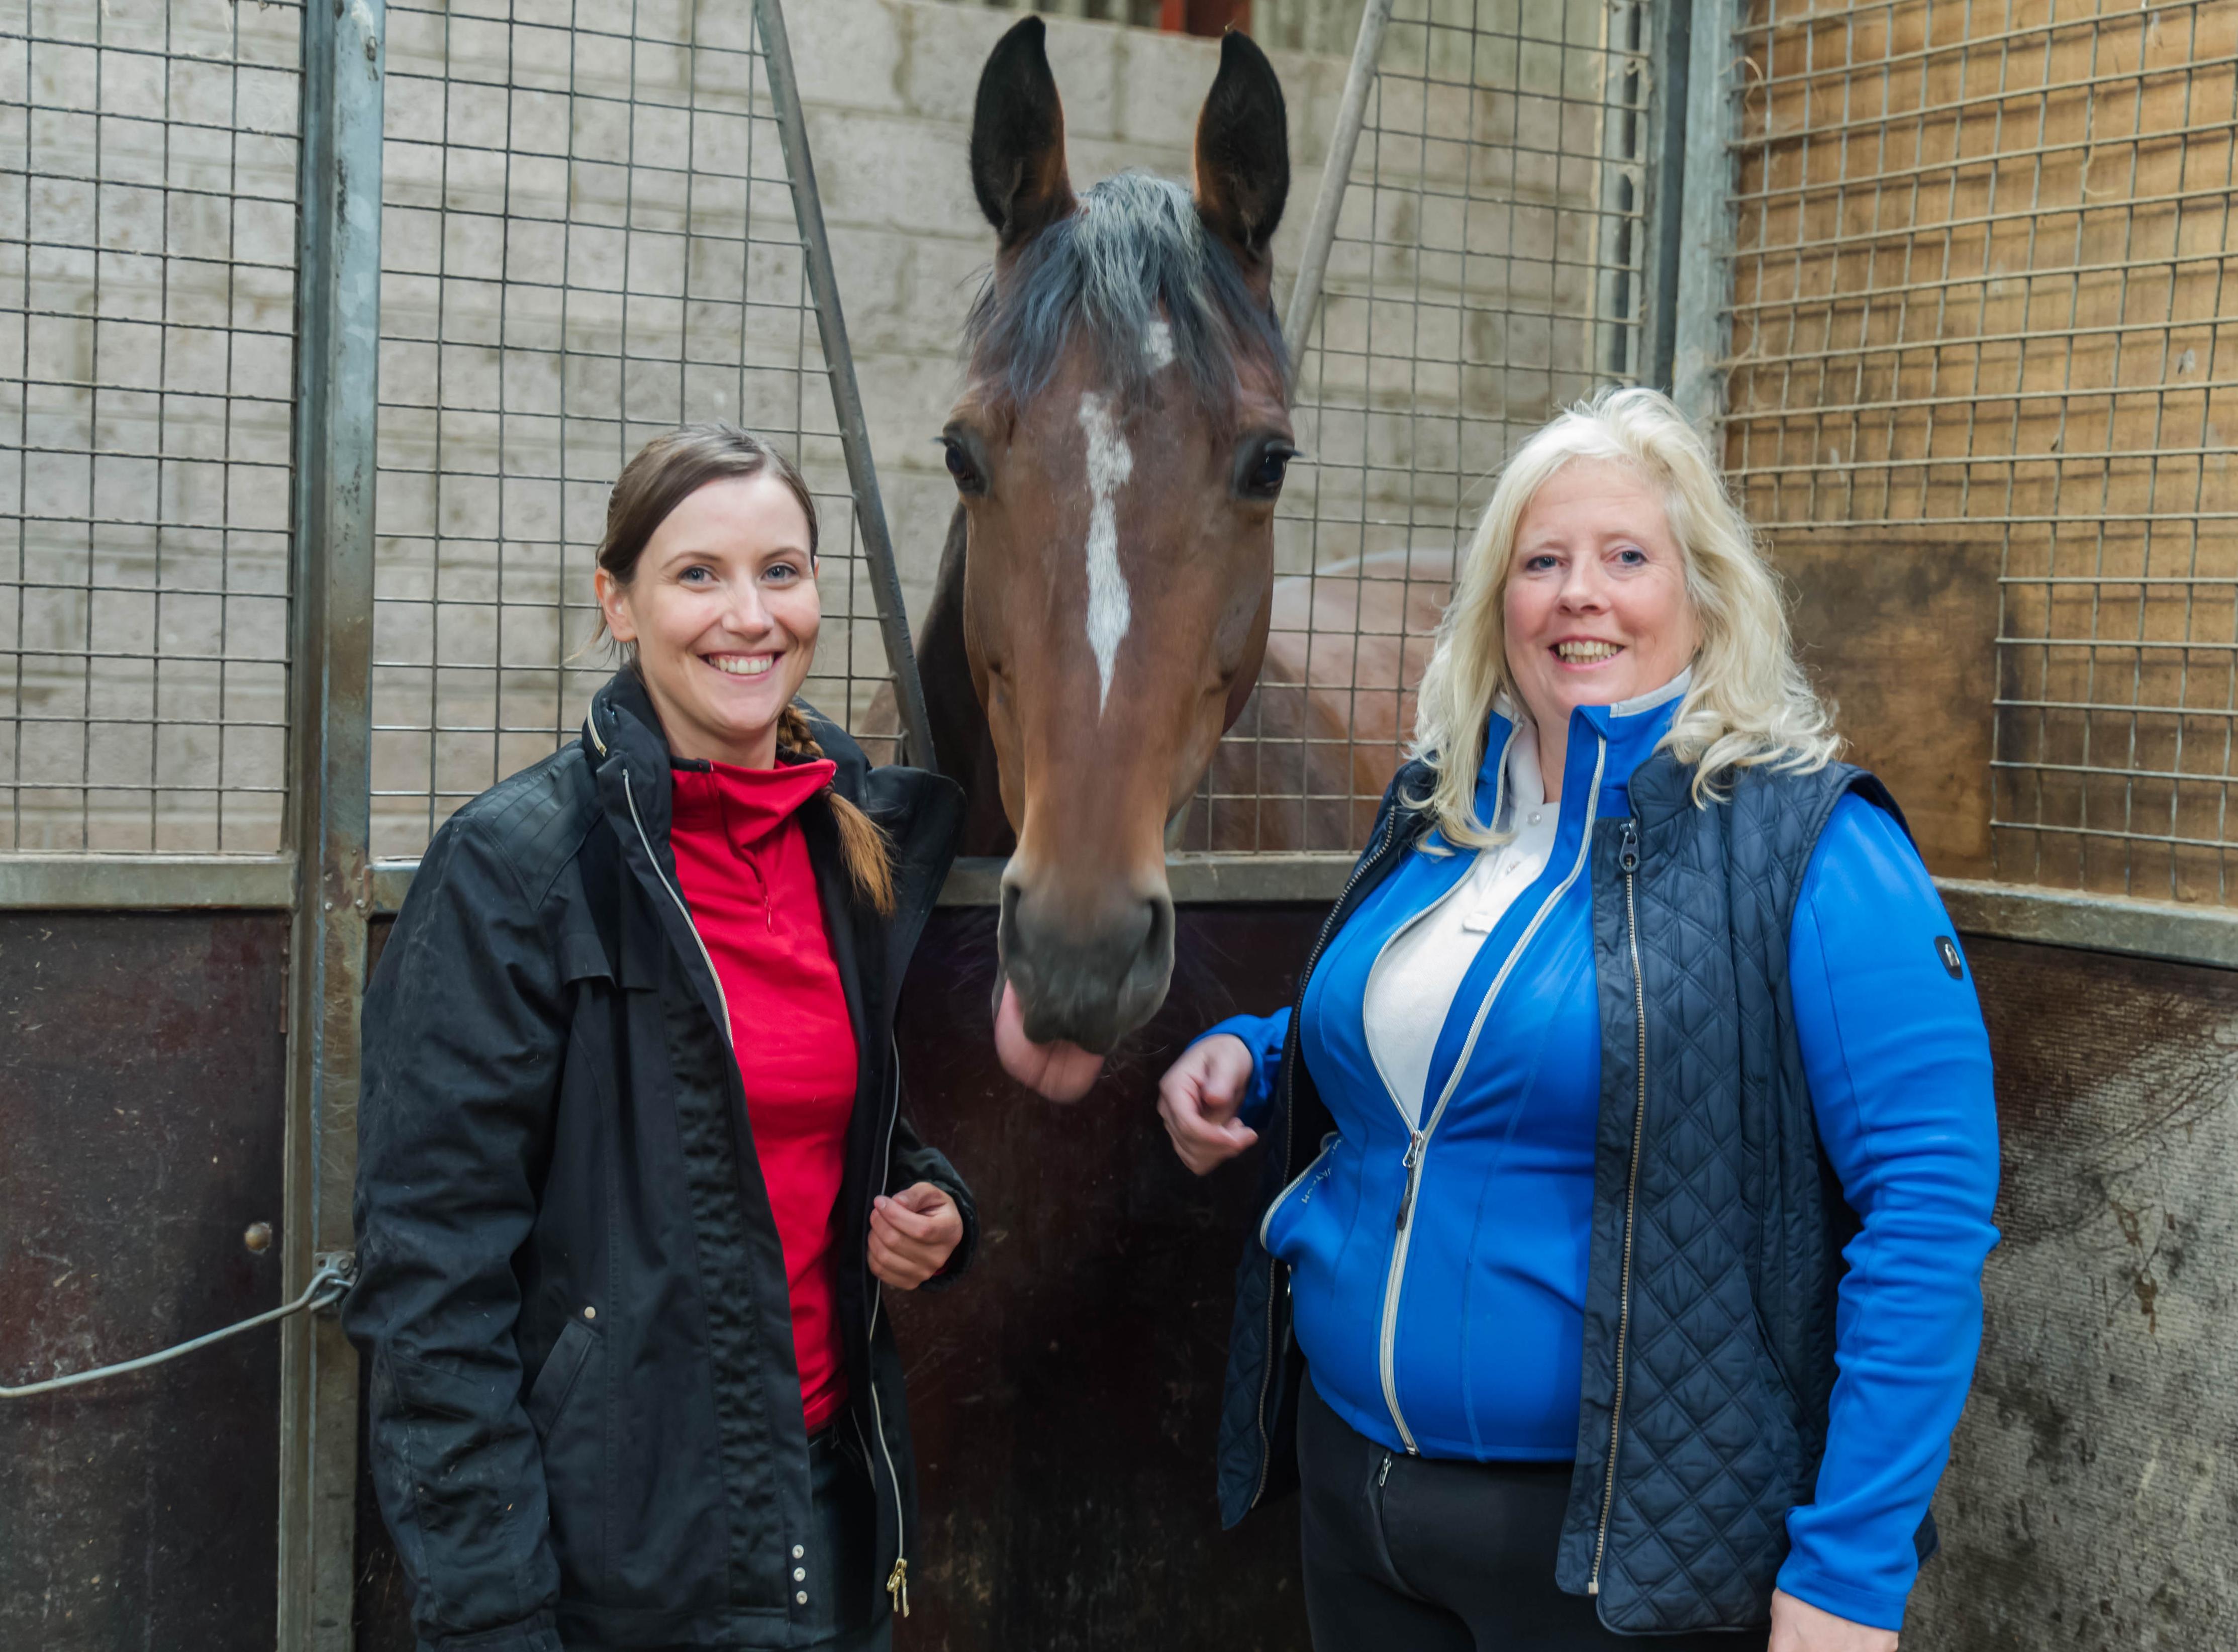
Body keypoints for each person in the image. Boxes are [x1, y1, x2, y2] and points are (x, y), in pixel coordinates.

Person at [1154, 388, 2000, 1650]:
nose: (1577, 593)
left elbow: (1928, 1205)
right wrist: (1263, 1056)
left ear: (1702, 596)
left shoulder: (1805, 842)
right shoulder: (1443, 811)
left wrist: (1849, 1572)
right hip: (1358, 1499)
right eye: (1540, 561)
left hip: (1616, 1551)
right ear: (1500, 601)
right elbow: (1453, 1055)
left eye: (1625, 557)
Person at [346, 425, 974, 1652]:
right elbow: (430, 1278)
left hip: (830, 1506)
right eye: (698, 575)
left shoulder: (846, 843)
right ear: (618, 604)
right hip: (617, 1551)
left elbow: (820, 1128)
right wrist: (490, 1616)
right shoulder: (516, 869)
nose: (750, 615)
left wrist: (930, 1204)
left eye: (781, 572)